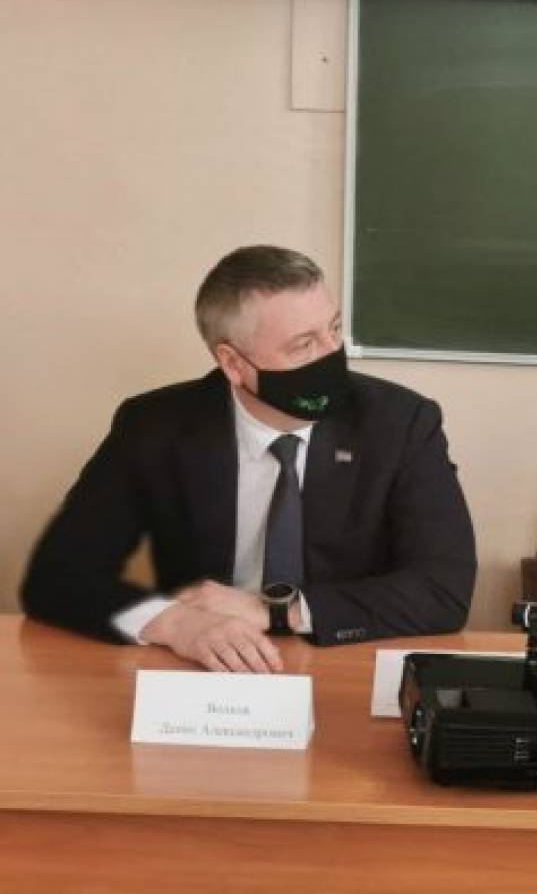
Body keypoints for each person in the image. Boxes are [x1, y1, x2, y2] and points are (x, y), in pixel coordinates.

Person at [22, 245, 477, 671]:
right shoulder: (156, 427)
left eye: (334, 329)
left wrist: (277, 611)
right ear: (234, 364)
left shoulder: (399, 423)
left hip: (345, 661)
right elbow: (56, 577)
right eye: (303, 345)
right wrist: (175, 623)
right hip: (208, 669)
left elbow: (443, 588)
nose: (332, 354)